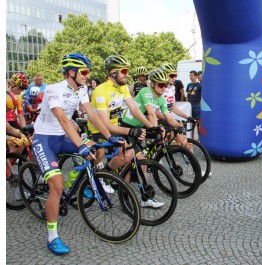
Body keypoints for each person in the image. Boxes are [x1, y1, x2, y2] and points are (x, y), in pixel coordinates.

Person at [31, 53, 120, 255]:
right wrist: (80, 145)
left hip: (63, 137)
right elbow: (63, 119)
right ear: (71, 72)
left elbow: (92, 114)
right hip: (45, 140)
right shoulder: (54, 90)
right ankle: (52, 236)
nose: (87, 76)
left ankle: (76, 184)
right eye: (85, 72)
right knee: (56, 186)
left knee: (98, 150)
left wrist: (110, 135)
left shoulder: (81, 90)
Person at [87, 55, 162, 207]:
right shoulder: (101, 90)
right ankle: (104, 176)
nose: (127, 74)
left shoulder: (123, 87)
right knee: (127, 155)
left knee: (138, 158)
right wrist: (130, 131)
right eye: (124, 70)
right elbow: (105, 124)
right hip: (99, 130)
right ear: (113, 72)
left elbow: (134, 109)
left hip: (116, 126)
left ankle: (143, 197)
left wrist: (150, 126)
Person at [120, 68, 188, 148]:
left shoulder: (161, 99)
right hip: (128, 124)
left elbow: (169, 119)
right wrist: (156, 129)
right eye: (161, 85)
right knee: (133, 158)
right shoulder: (145, 91)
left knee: (169, 133)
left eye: (165, 85)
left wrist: (180, 127)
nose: (164, 88)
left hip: (141, 126)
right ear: (152, 84)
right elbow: (151, 114)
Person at [186, 70, 202, 141]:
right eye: (189, 75)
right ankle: (192, 138)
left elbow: (202, 96)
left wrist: (200, 105)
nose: (190, 77)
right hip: (190, 106)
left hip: (196, 106)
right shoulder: (189, 85)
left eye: (191, 75)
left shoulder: (199, 85)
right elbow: (187, 95)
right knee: (191, 123)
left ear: (195, 76)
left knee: (198, 123)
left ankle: (199, 138)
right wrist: (187, 103)